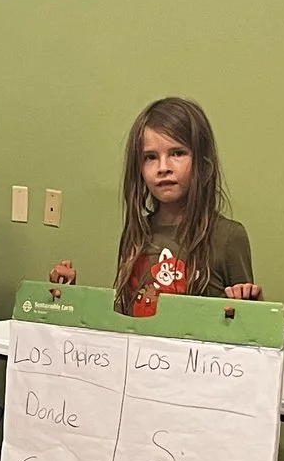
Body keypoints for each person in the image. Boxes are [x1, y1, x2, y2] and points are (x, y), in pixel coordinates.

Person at [52, 96, 262, 315]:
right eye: (150, 157)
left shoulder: (229, 237)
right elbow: (122, 317)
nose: (163, 167)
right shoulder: (137, 233)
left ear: (202, 161)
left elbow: (245, 323)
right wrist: (69, 298)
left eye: (177, 153)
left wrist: (252, 302)